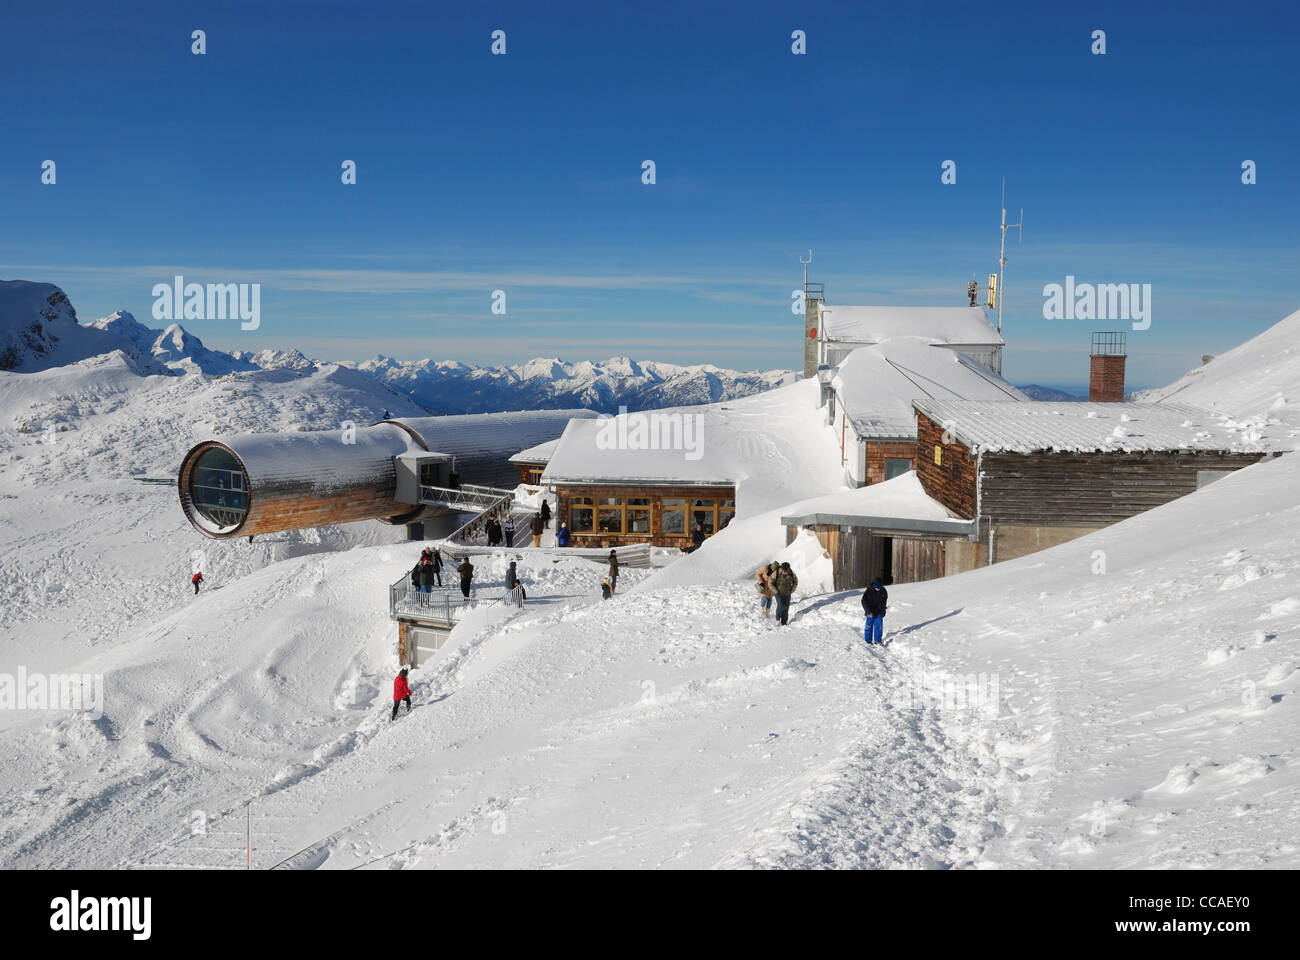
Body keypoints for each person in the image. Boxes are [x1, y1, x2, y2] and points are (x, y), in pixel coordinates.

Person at [862, 578, 888, 645]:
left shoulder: (883, 591)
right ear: (874, 586)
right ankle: (868, 641)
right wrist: (867, 611)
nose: (878, 589)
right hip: (870, 611)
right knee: (869, 626)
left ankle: (877, 641)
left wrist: (883, 610)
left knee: (878, 626)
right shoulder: (869, 590)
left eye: (879, 587)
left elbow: (884, 602)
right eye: (876, 587)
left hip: (879, 611)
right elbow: (864, 601)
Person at [772, 562, 798, 626]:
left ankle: (784, 622)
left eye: (786, 570)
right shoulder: (776, 573)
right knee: (781, 605)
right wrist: (776, 591)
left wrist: (792, 590)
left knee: (786, 607)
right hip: (778, 592)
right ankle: (777, 619)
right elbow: (770, 583)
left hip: (787, 593)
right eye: (783, 570)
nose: (785, 572)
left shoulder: (791, 573)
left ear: (788, 569)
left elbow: (795, 582)